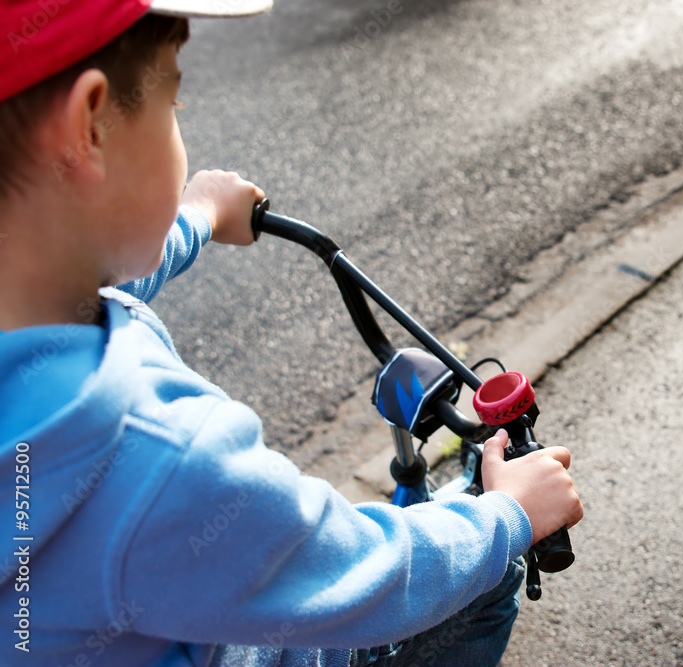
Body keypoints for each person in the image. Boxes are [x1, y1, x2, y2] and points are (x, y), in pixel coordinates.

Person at [0, 2, 584, 665]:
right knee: (481, 570)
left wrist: (197, 213)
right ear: (91, 129)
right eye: (173, 101)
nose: (179, 126)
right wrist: (510, 516)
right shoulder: (160, 458)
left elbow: (105, 280)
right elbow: (362, 573)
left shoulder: (32, 319)